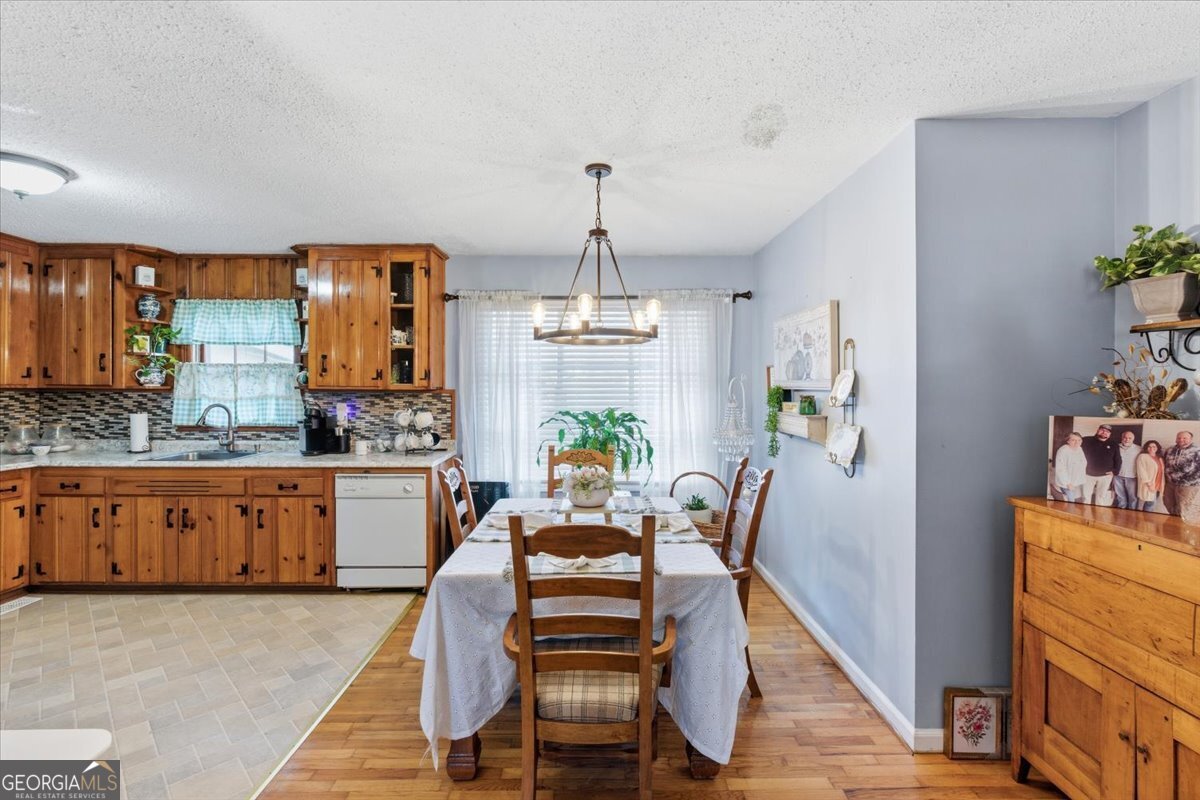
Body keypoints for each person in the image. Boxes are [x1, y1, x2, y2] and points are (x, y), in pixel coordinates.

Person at [1081, 424, 1119, 506]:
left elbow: (1118, 459)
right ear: (1098, 430)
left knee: (1100, 497)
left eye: (1107, 432)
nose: (1104, 432)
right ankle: (1085, 515)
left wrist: (1115, 471)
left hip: (1105, 476)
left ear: (1109, 434)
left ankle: (1098, 514)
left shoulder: (1114, 444)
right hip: (1088, 475)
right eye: (1102, 430)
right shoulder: (1085, 440)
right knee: (1086, 497)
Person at [1164, 431, 1200, 518]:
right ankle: (1174, 524)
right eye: (1179, 438)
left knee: (1183, 508)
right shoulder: (1170, 450)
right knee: (1168, 503)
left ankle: (1180, 527)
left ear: (1190, 439)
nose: (1181, 440)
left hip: (1188, 485)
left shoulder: (1197, 451)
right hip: (1170, 484)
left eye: (1184, 438)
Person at [1053, 432, 1087, 502]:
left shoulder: (1079, 449)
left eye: (1079, 440)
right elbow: (1060, 469)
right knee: (1071, 501)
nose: (1077, 442)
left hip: (1075, 481)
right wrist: (1067, 483)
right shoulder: (1063, 450)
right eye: (1073, 440)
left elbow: (1083, 462)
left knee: (1074, 498)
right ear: (1068, 441)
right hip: (1067, 482)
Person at [1113, 429, 1141, 509]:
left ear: (1133, 439)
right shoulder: (1116, 447)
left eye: (1129, 438)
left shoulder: (1139, 449)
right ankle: (1122, 514)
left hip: (1132, 477)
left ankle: (1132, 515)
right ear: (1122, 438)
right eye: (1125, 437)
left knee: (1133, 498)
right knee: (1120, 497)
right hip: (1118, 476)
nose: (1127, 439)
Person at [1136, 439, 1165, 512]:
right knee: (1150, 503)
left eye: (1154, 446)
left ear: (1157, 448)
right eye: (1149, 447)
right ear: (1146, 448)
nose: (1151, 448)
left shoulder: (1159, 458)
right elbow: (1141, 471)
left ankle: (1146, 520)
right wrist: (1149, 484)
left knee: (1151, 503)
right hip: (1149, 484)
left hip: (1158, 485)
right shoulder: (1142, 456)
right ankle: (1146, 521)